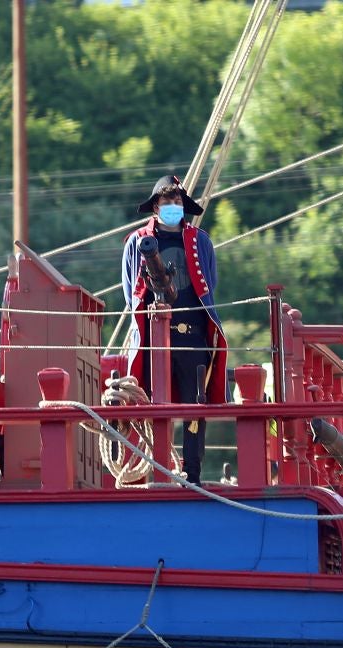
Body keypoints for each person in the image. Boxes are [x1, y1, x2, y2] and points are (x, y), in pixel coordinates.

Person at [121, 175, 228, 483]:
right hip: (154, 338)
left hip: (192, 335)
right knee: (153, 402)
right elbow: (130, 292)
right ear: (156, 206)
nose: (173, 207)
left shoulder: (200, 241)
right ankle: (158, 473)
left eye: (178, 202)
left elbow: (210, 284)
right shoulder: (136, 242)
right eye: (168, 202)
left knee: (196, 403)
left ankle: (192, 474)